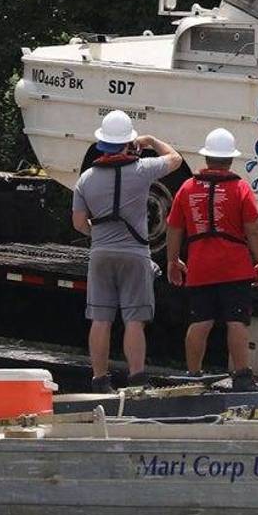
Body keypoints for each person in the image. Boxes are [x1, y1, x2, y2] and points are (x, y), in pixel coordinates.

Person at [71, 110, 182, 393]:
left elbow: (79, 223)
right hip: (135, 254)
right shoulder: (142, 170)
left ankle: (99, 380)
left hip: (101, 254)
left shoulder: (86, 179)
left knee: (100, 318)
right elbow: (175, 159)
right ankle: (136, 379)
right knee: (134, 319)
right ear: (127, 143)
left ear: (102, 144)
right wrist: (152, 141)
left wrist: (99, 235)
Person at [165, 128, 258, 392]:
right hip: (235, 268)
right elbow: (254, 230)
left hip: (200, 266)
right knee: (237, 321)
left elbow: (175, 227)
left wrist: (173, 260)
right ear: (230, 159)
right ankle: (242, 377)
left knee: (200, 321)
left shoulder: (187, 188)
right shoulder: (240, 188)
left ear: (207, 157)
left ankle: (193, 374)